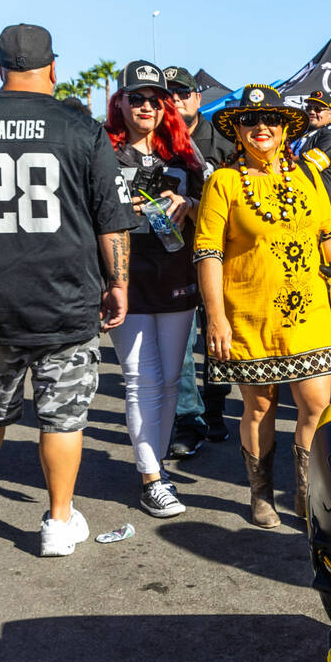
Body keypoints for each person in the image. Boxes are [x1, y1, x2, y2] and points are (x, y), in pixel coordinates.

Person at [0, 23, 134, 557]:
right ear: (53, 68)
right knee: (62, 417)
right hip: (66, 297)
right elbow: (112, 222)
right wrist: (119, 283)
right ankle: (58, 521)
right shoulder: (81, 129)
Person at [194, 85, 331, 529]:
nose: (261, 128)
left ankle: (303, 491)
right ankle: (260, 495)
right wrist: (216, 317)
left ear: (285, 129)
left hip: (308, 312)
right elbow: (207, 253)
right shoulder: (225, 182)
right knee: (258, 408)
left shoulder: (309, 178)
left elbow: (330, 235)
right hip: (249, 315)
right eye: (250, 121)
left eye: (271, 120)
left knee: (316, 404)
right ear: (237, 130)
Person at [105, 62, 205, 517]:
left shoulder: (186, 158)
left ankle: (157, 466)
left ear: (167, 106)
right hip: (126, 281)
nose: (146, 106)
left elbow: (214, 213)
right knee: (138, 381)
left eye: (154, 99)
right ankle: (152, 477)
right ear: (120, 103)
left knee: (168, 380)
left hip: (176, 277)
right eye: (136, 98)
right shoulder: (103, 153)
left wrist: (192, 202)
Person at [162, 64, 230, 458]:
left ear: (198, 97)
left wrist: (195, 206)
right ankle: (189, 418)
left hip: (220, 257)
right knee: (183, 343)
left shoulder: (221, 138)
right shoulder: (156, 141)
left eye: (183, 93)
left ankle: (217, 410)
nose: (176, 100)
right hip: (172, 257)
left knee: (217, 336)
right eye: (169, 94)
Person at [293, 90, 331, 213]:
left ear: (330, 113)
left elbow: (310, 165)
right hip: (307, 201)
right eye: (308, 108)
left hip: (328, 205)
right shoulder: (305, 133)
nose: (311, 112)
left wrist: (281, 162)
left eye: (317, 109)